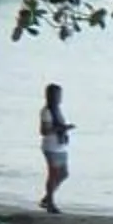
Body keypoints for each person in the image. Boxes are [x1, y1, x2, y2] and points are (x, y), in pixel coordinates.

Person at [38, 84, 74, 212]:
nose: (59, 98)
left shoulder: (57, 110)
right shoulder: (47, 111)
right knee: (53, 174)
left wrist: (64, 130)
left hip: (60, 145)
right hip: (51, 147)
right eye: (57, 95)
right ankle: (50, 203)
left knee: (63, 173)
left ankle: (47, 197)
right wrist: (62, 128)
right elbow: (44, 131)